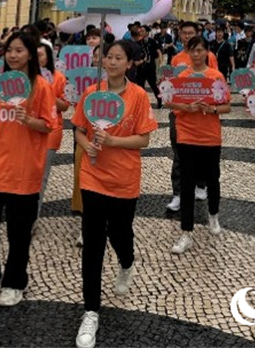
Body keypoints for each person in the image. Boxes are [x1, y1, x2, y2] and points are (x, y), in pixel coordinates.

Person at [72, 41, 158, 348]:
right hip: (93, 176)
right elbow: (78, 129)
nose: (110, 61)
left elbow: (144, 140)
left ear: (129, 63)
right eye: (107, 56)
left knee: (120, 233)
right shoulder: (91, 93)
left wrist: (112, 142)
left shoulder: (137, 96)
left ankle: (127, 262)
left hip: (124, 178)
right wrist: (87, 145)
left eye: (117, 57)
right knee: (93, 243)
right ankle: (91, 311)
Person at [0, 32, 56, 309]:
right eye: (9, 51)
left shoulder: (41, 86)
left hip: (25, 169)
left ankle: (15, 281)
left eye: (19, 50)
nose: (13, 55)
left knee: (19, 233)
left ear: (30, 53)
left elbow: (48, 124)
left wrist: (29, 120)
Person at [167, 36, 231, 254]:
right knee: (186, 184)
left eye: (200, 50)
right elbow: (170, 101)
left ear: (207, 53)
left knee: (213, 179)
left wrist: (211, 109)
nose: (196, 54)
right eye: (193, 50)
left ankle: (213, 215)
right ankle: (186, 231)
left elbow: (226, 106)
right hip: (187, 136)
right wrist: (187, 108)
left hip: (210, 136)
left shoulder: (216, 76)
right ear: (187, 52)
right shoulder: (182, 77)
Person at [167, 21, 218, 211]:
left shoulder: (209, 57)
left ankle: (200, 184)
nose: (187, 36)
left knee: (202, 151)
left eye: (191, 33)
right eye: (184, 33)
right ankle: (178, 193)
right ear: (179, 35)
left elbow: (216, 84)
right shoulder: (177, 58)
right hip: (180, 112)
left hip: (203, 113)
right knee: (179, 153)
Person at [37, 43, 69, 218]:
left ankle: (33, 213)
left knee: (41, 175)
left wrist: (48, 93)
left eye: (40, 55)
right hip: (28, 131)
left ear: (48, 57)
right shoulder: (25, 77)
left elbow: (64, 106)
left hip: (51, 130)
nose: (36, 58)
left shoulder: (58, 78)